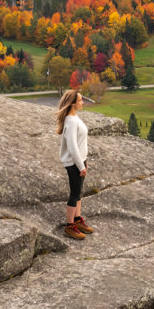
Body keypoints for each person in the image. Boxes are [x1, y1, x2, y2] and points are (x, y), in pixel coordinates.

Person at [55, 89, 93, 239]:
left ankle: (77, 220)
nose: (82, 102)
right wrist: (80, 166)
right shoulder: (70, 121)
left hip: (80, 161)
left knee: (78, 193)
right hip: (74, 163)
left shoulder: (74, 118)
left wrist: (85, 161)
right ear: (72, 104)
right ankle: (70, 226)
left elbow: (80, 143)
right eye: (80, 100)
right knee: (74, 193)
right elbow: (72, 146)